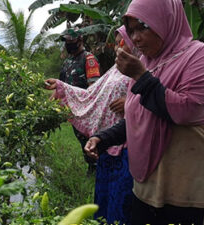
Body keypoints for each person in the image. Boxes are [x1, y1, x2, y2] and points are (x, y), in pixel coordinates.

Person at [84, 0, 204, 224]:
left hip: (182, 188)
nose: (135, 38)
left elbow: (187, 110)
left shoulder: (197, 56)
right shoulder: (147, 63)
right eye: (131, 31)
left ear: (166, 20)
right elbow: (136, 117)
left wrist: (141, 77)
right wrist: (102, 138)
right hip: (146, 186)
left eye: (143, 26)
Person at [45, 25, 138, 224]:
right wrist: (61, 87)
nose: (118, 47)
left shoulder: (142, 67)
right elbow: (95, 93)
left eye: (122, 40)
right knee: (104, 200)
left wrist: (130, 103)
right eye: (117, 41)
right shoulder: (114, 69)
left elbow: (153, 99)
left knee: (122, 200)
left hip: (127, 143)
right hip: (108, 138)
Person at [58, 28, 101, 175]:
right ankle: (91, 165)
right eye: (66, 42)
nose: (68, 44)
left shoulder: (89, 60)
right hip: (72, 110)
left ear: (80, 40)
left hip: (85, 108)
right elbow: (60, 86)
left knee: (88, 137)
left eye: (71, 41)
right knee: (80, 137)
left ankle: (95, 166)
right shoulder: (67, 62)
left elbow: (93, 88)